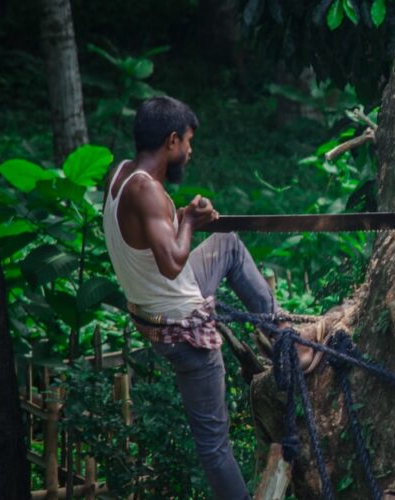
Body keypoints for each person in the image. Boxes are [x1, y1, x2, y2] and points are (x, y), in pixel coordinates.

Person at [102, 96, 315, 499]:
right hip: (182, 328)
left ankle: (280, 338)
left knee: (228, 244)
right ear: (170, 141)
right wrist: (189, 222)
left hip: (158, 308)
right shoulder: (147, 192)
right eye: (187, 141)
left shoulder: (123, 176)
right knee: (214, 447)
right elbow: (169, 261)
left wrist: (182, 220)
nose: (190, 150)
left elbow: (155, 245)